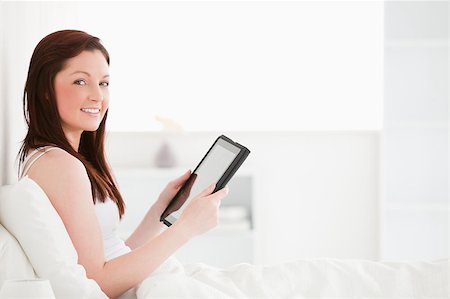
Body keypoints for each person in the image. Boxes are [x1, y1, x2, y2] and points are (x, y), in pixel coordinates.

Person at [17, 29, 229, 298]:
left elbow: (112, 257)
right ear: (45, 90)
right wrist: (186, 229)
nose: (98, 96)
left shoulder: (56, 157)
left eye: (104, 83)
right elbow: (99, 282)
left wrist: (158, 212)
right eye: (81, 82)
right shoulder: (60, 165)